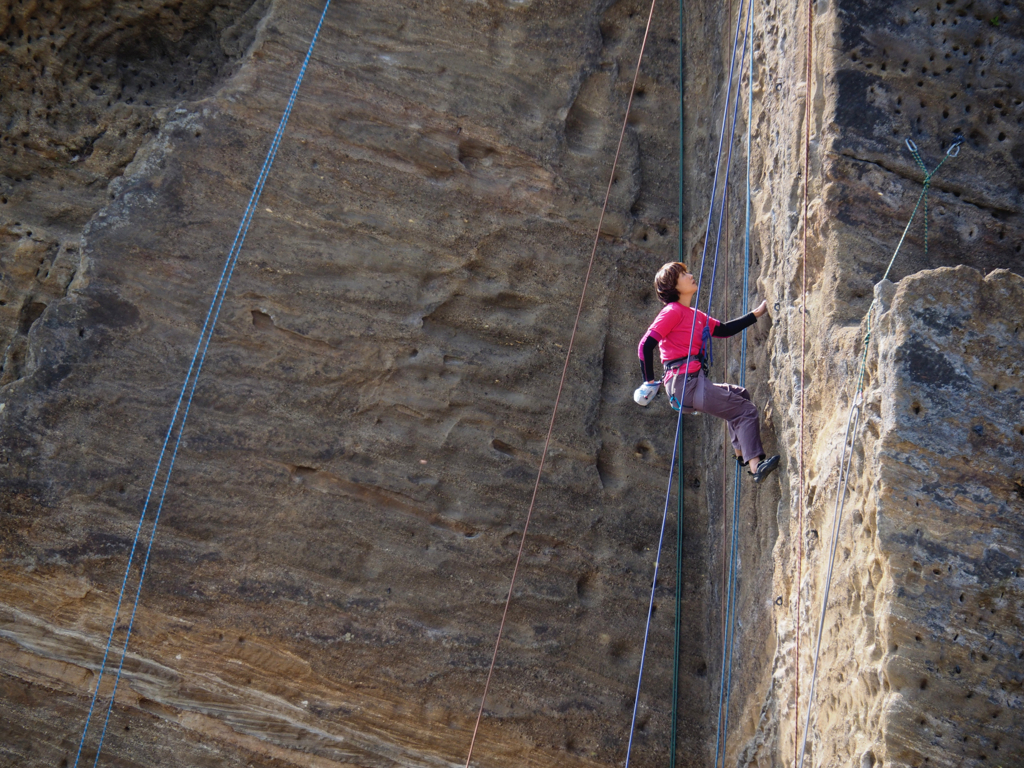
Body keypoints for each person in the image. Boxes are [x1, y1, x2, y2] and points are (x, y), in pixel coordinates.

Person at [634, 261, 780, 483]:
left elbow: (724, 329)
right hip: (685, 384)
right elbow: (645, 345)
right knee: (745, 410)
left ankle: (741, 454)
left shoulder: (694, 314)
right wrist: (649, 382)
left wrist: (756, 314)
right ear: (674, 286)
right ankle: (756, 466)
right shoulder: (672, 312)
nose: (690, 275)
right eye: (683, 274)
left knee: (740, 395)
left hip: (692, 382)